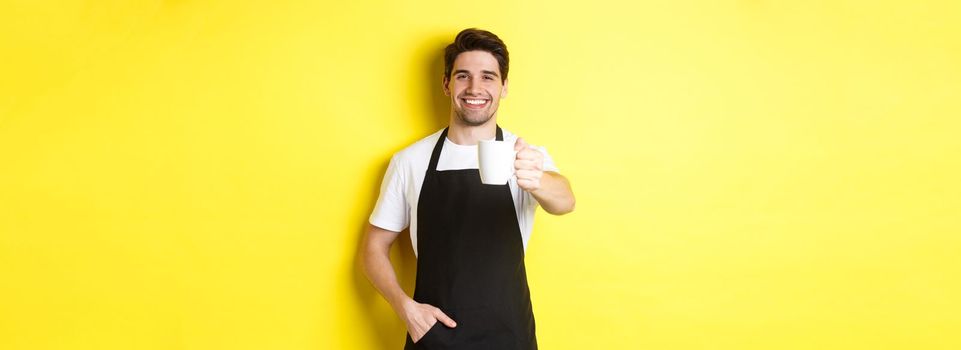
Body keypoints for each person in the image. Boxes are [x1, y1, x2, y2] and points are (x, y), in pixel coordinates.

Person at [361, 28, 576, 349]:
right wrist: (405, 308)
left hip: (510, 334)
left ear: (504, 87)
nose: (475, 88)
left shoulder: (525, 155)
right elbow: (373, 248)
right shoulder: (411, 160)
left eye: (488, 77)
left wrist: (537, 179)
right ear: (446, 84)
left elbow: (565, 201)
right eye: (463, 76)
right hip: (434, 336)